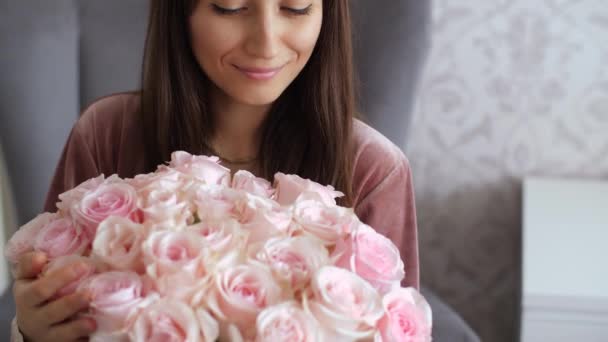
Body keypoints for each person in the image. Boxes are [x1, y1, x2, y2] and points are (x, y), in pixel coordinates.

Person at [10, 0, 419, 340]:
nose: (266, 43)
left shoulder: (374, 170)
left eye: (296, 7)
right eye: (230, 6)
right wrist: (30, 328)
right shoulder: (106, 134)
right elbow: (54, 304)